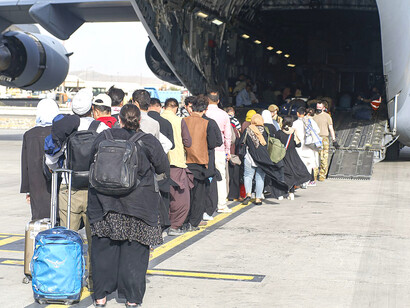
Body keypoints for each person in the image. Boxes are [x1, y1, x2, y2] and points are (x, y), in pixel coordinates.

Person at [88, 104, 169, 307]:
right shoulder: (148, 141)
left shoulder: (104, 136)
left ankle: (100, 296)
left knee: (103, 248)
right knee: (135, 252)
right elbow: (162, 167)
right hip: (138, 205)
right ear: (138, 121)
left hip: (105, 203)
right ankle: (132, 299)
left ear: (119, 119)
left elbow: (91, 161)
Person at [184, 95, 219, 229]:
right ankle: (194, 222)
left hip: (186, 161)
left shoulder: (184, 121)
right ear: (205, 109)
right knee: (199, 195)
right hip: (201, 163)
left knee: (187, 194)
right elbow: (212, 143)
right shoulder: (207, 123)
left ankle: (184, 220)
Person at [21, 98, 59, 220]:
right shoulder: (58, 133)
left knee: (39, 221)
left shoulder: (29, 134)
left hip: (36, 185)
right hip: (56, 182)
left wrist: (27, 190)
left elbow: (25, 165)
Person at [161, 98, 193, 235]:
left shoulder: (158, 119)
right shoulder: (179, 120)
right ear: (176, 108)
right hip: (177, 162)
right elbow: (188, 141)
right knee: (181, 198)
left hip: (161, 162)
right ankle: (175, 225)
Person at [241, 114, 288, 205]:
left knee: (248, 176)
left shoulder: (248, 129)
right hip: (263, 158)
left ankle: (248, 194)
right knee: (260, 178)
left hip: (249, 157)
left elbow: (241, 142)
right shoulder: (266, 130)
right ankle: (258, 198)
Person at [205, 89, 232, 213]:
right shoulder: (224, 114)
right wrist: (227, 151)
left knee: (205, 176)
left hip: (205, 149)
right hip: (220, 150)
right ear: (219, 101)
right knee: (221, 177)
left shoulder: (203, 113)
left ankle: (207, 204)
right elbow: (228, 135)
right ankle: (221, 204)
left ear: (207, 100)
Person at [275, 116, 311, 200]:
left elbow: (276, 145)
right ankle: (291, 193)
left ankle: (280, 194)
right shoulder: (293, 132)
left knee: (282, 174)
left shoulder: (279, 133)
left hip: (282, 155)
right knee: (292, 174)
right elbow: (298, 145)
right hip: (292, 155)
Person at [261, 110, 286, 200]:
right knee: (278, 172)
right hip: (274, 152)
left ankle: (262, 192)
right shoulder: (273, 126)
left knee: (263, 172)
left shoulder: (261, 127)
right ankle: (279, 193)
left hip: (265, 152)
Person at [292, 107, 320, 187]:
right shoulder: (310, 121)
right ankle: (306, 181)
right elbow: (318, 131)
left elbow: (293, 133)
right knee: (309, 164)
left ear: (297, 113)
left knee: (300, 164)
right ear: (304, 113)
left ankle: (300, 181)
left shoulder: (295, 123)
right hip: (309, 146)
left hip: (299, 146)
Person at [313, 101, 337, 181]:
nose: (318, 109)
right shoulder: (313, 116)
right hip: (315, 138)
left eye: (320, 108)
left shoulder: (327, 116)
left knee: (324, 157)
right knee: (314, 157)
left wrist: (334, 140)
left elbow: (331, 128)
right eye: (317, 107)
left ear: (324, 108)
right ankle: (314, 175)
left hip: (324, 138)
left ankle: (322, 175)